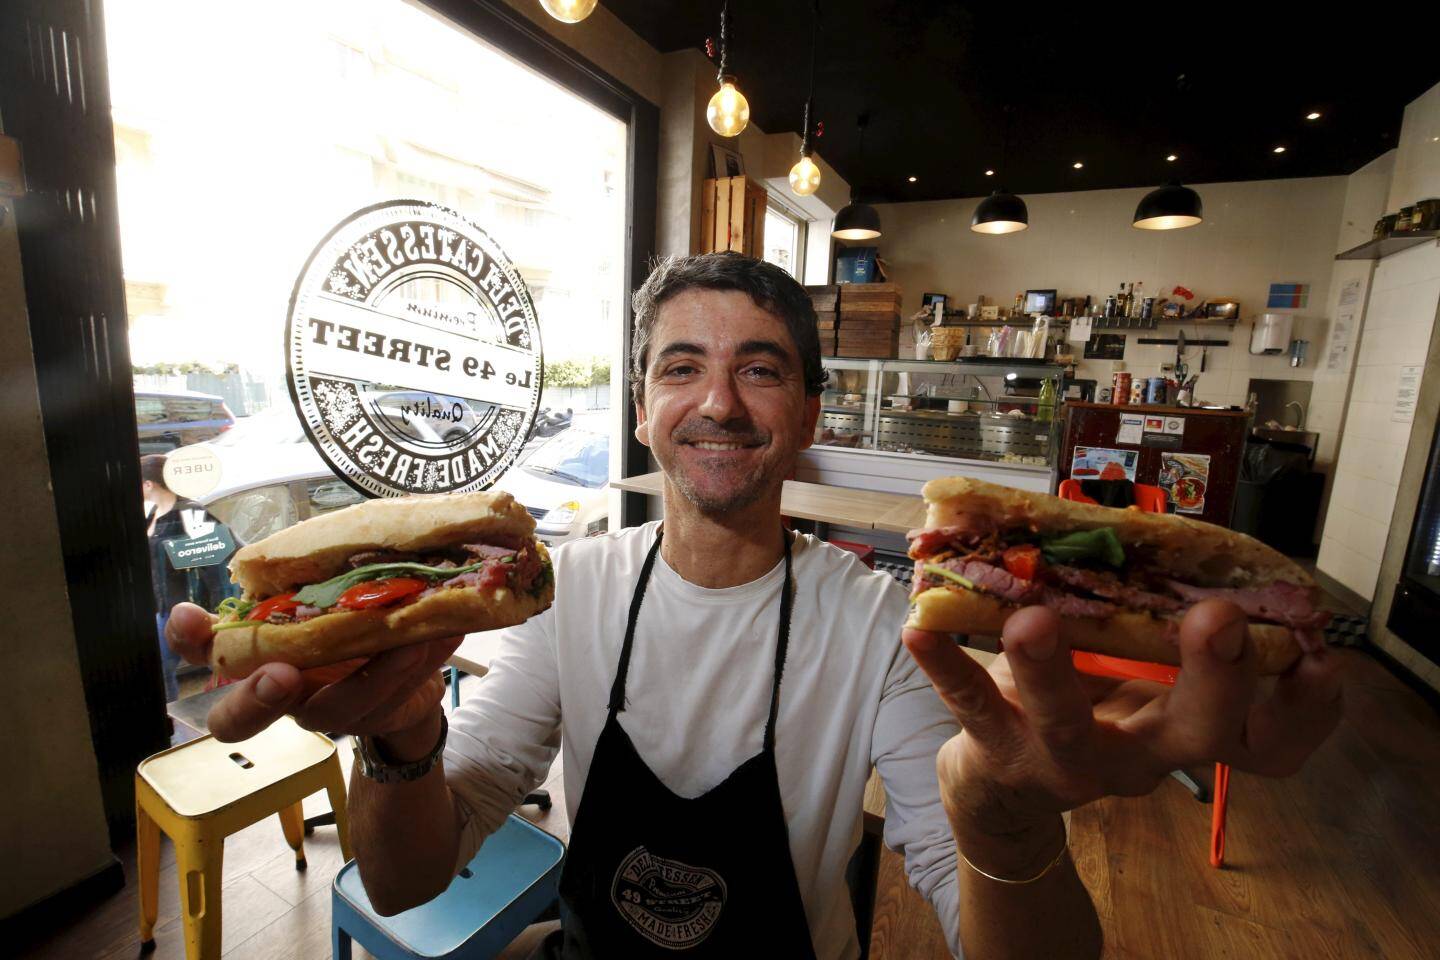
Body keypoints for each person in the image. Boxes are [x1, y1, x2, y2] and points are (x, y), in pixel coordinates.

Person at [166, 253, 1343, 959]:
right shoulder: (565, 592)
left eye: (761, 368)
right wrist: (404, 739)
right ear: (642, 410)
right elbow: (413, 877)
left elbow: (1017, 944)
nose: (718, 401)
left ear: (808, 417)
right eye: (681, 366)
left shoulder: (888, 628)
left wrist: (1009, 827)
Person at [142, 453, 226, 701]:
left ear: (149, 484)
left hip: (192, 608)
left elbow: (217, 565)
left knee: (220, 662)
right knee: (160, 670)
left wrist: (222, 613)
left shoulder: (190, 513)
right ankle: (169, 721)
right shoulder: (153, 515)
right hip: (164, 607)